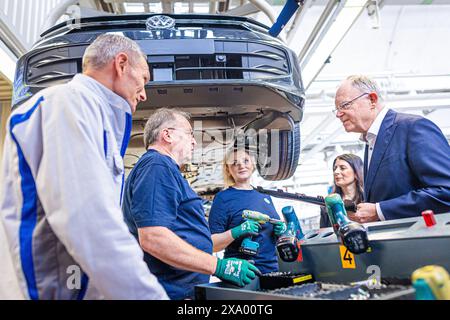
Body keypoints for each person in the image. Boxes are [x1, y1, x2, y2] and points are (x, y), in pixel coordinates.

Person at [0, 34, 168, 300]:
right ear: (121, 63)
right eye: (144, 79)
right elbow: (92, 224)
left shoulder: (91, 115)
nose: (145, 94)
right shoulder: (67, 105)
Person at [122, 108, 260, 300]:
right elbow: (153, 238)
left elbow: (187, 238)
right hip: (169, 293)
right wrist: (219, 266)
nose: (194, 141)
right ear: (167, 135)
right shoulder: (157, 165)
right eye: (189, 134)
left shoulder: (164, 169)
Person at [334, 74, 450, 222]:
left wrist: (379, 210)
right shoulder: (371, 142)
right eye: (337, 109)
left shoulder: (413, 128)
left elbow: (446, 190)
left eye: (344, 105)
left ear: (372, 100)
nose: (338, 114)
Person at [208, 148, 286, 274]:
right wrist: (237, 231)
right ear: (228, 170)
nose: (241, 166)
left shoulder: (264, 195)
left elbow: (271, 236)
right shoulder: (223, 198)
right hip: (241, 273)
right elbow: (212, 244)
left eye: (245, 161)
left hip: (272, 270)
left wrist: (281, 233)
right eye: (234, 163)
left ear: (253, 164)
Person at [320, 154, 364, 228]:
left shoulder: (369, 200)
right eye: (335, 168)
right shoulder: (328, 205)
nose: (336, 172)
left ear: (356, 173)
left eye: (342, 168)